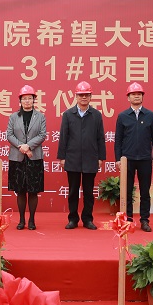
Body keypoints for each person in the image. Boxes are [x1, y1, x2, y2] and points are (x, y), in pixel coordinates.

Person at [57, 81, 106, 230]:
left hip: (91, 158)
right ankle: (72, 219)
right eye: (81, 95)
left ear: (90, 97)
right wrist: (62, 157)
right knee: (73, 191)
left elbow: (100, 137)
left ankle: (87, 219)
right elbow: (63, 137)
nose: (84, 97)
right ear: (76, 96)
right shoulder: (68, 114)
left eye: (86, 95)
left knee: (89, 192)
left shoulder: (96, 115)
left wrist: (101, 157)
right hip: (72, 158)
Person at [114, 82, 153, 232]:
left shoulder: (150, 115)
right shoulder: (122, 116)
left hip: (145, 159)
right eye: (133, 94)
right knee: (127, 192)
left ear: (142, 97)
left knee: (145, 191)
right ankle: (128, 219)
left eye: (139, 94)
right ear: (128, 97)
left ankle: (144, 220)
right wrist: (118, 159)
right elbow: (118, 140)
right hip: (127, 159)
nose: (136, 96)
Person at [6, 85, 47, 230]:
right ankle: (21, 220)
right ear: (20, 101)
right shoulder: (13, 117)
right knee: (20, 190)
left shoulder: (40, 116)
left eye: (30, 98)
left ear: (34, 100)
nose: (27, 101)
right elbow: (9, 134)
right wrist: (21, 147)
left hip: (34, 157)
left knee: (33, 190)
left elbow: (42, 135)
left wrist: (28, 146)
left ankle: (32, 220)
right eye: (24, 99)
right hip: (17, 158)